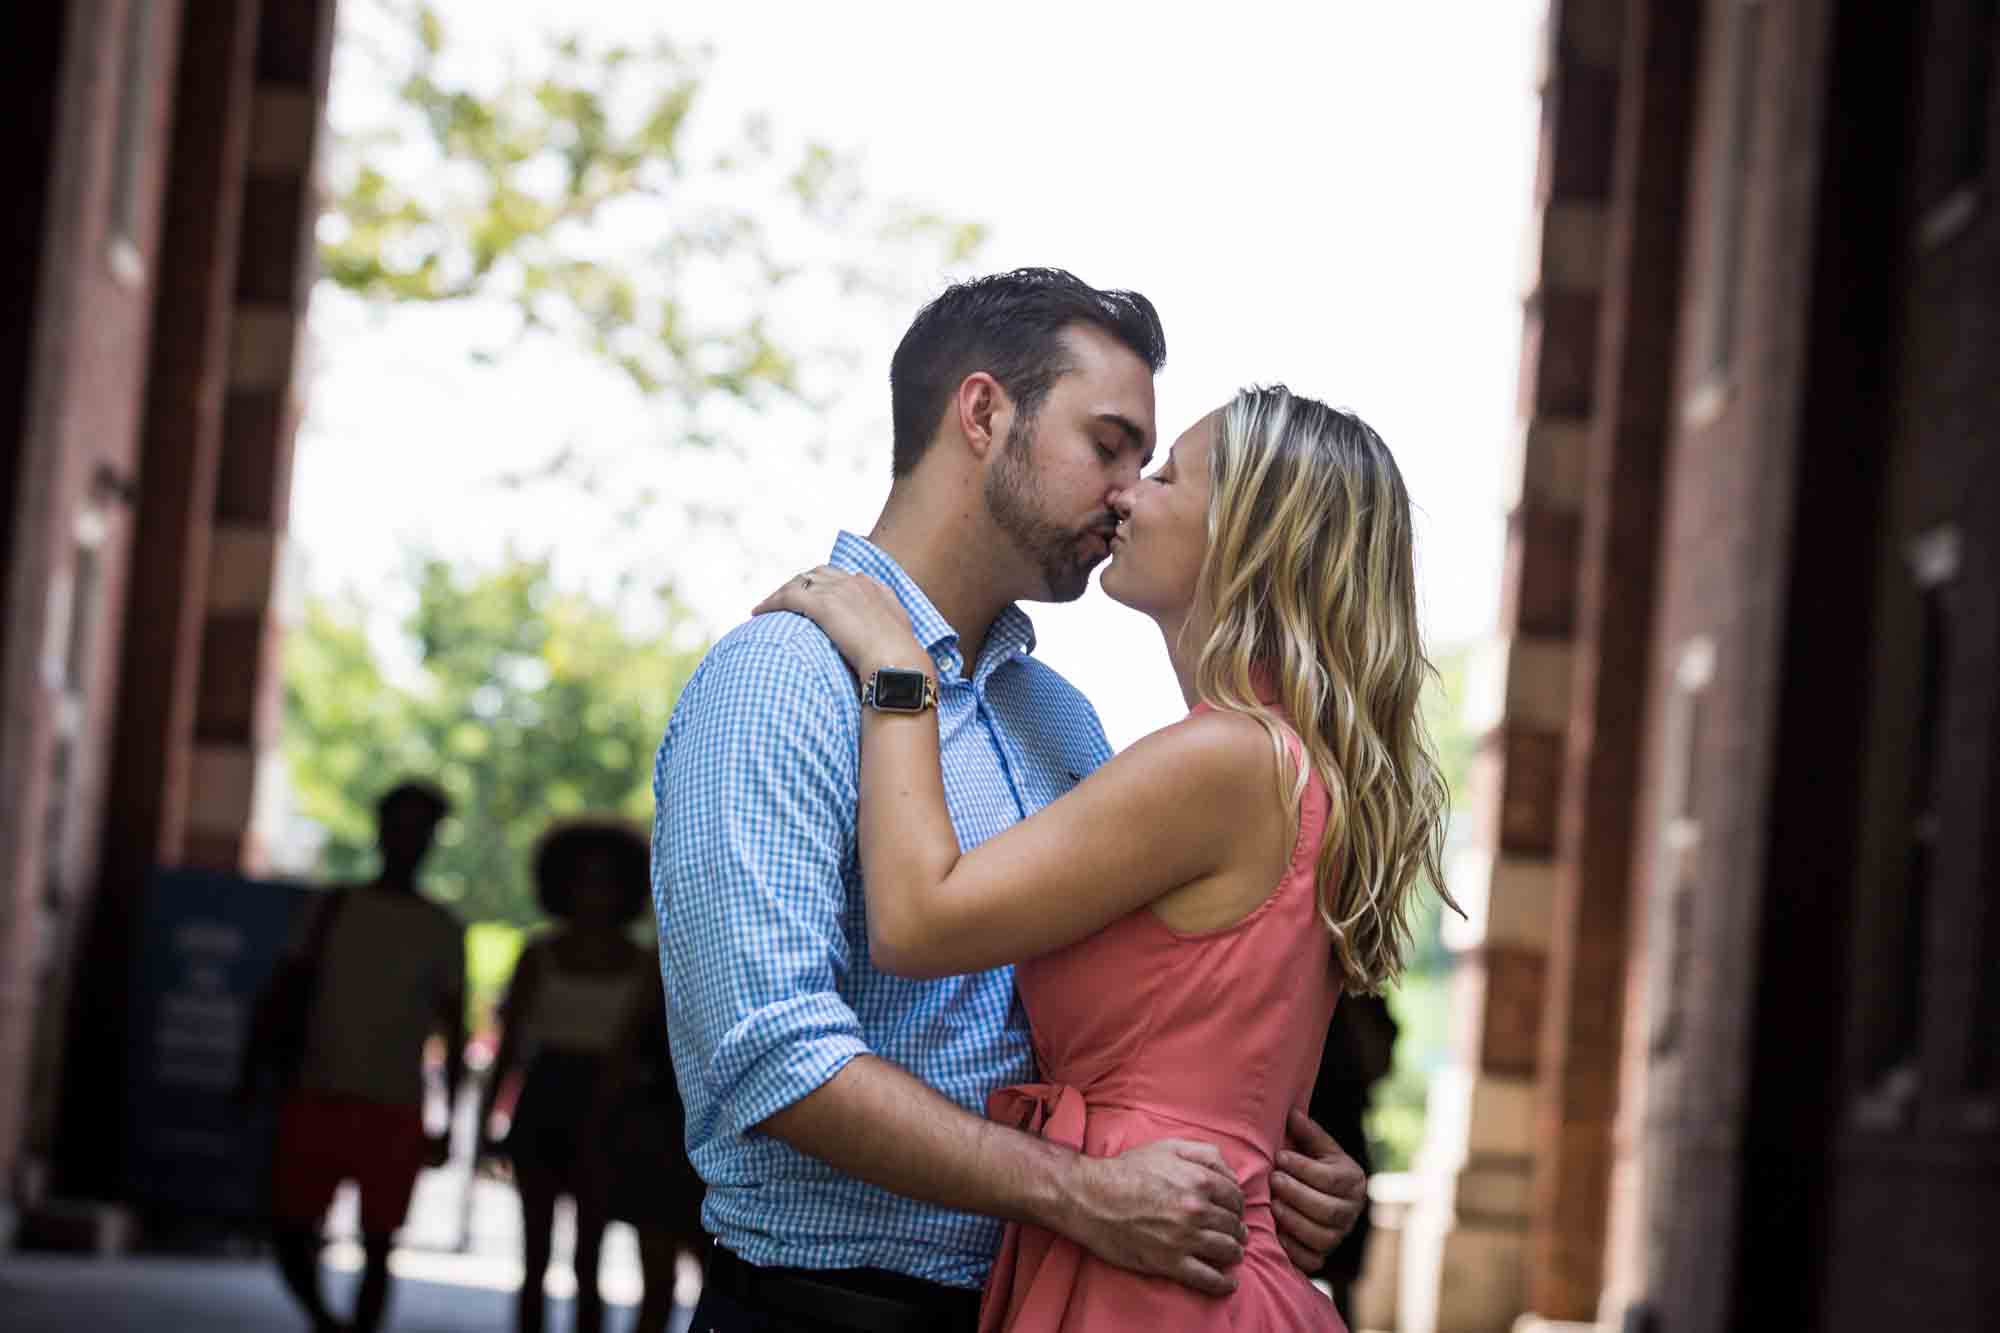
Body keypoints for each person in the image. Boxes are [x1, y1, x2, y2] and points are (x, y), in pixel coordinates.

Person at [652, 270, 1369, 1333]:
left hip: (1049, 1297)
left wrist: (1253, 1171)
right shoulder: (781, 678)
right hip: (828, 1312)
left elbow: (1123, 1029)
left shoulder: (1063, 722)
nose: (1127, 491)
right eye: (1110, 443)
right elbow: (775, 1057)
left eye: (1151, 463)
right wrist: (1079, 1192)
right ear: (984, 414)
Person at [756, 382, 1456, 1329]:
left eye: (1167, 476)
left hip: (1152, 1278)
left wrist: (899, 677)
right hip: (1173, 1253)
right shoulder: (1287, 761)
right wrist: (1286, 1170)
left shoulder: (1228, 758)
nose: (1126, 494)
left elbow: (919, 919)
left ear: (1251, 532)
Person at [257, 780, 466, 1333]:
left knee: (380, 1241)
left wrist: (446, 1121)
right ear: (380, 831)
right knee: (290, 1227)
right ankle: (327, 1321)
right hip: (317, 1087)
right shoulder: (333, 907)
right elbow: (285, 991)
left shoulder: (441, 928)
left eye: (420, 829)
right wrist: (256, 1071)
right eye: (400, 825)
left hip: (393, 1103)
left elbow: (455, 1027)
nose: (408, 839)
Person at [477, 819, 681, 1333]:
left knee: (589, 1258)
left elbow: (633, 1052)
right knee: (534, 1257)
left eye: (606, 881)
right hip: (543, 1101)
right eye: (584, 880)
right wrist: (486, 1127)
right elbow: (510, 1053)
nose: (594, 894)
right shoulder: (537, 955)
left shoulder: (644, 965)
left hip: (608, 1110)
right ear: (562, 886)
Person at [1306, 995, 1398, 1320]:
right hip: (1303, 1137)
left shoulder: (1359, 1001)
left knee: (1342, 1275)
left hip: (1341, 1138)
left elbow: (1380, 1063)